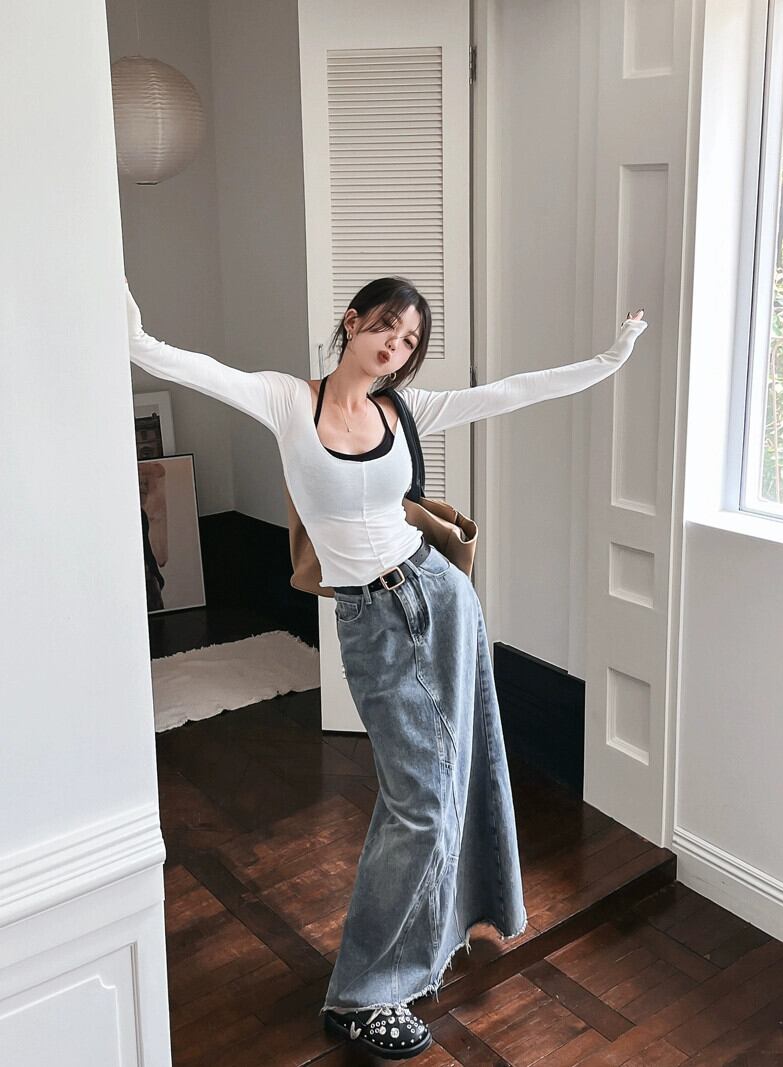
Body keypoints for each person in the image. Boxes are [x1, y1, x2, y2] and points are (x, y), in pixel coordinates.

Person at [124, 275, 647, 1059]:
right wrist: (128, 315)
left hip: (441, 596)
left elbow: (510, 392)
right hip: (372, 620)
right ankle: (362, 993)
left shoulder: (405, 410)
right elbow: (183, 363)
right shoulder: (287, 401)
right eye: (386, 328)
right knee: (419, 801)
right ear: (353, 320)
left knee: (462, 771)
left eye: (408, 342)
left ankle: (416, 953)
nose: (395, 349)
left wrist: (609, 359)